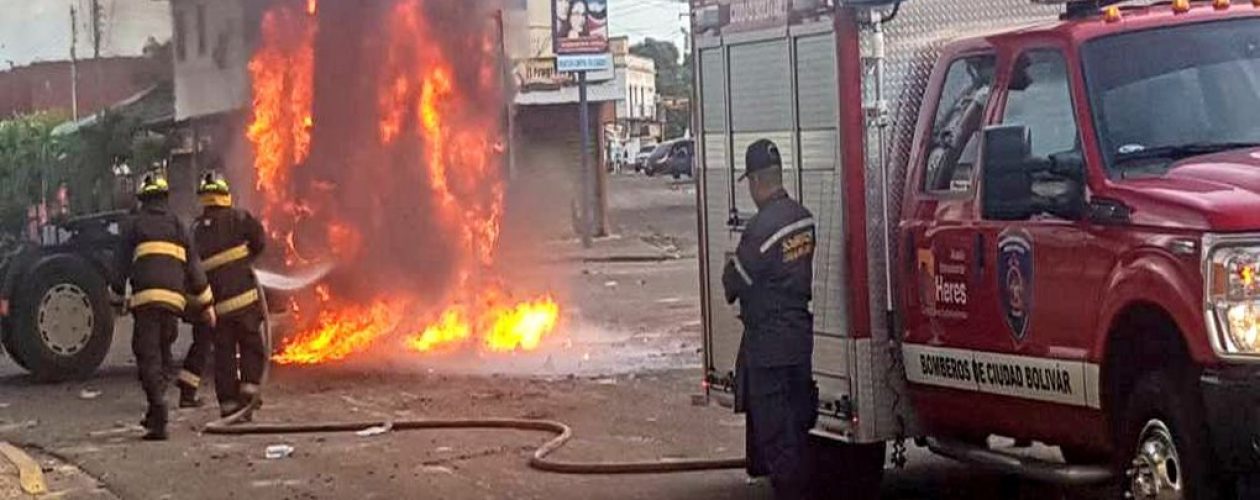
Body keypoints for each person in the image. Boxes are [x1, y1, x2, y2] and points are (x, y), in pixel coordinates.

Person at [722, 139, 817, 499]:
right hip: (798, 340)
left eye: (750, 182)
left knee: (776, 436)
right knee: (797, 427)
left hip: (769, 346)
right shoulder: (803, 218)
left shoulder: (760, 229)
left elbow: (734, 283)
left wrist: (731, 268)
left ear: (759, 181)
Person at [113, 172, 215, 441]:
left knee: (147, 355)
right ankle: (156, 406)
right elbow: (194, 268)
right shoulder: (178, 226)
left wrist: (115, 297)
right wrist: (207, 304)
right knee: (164, 351)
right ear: (165, 199)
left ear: (143, 200)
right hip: (173, 302)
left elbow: (120, 265)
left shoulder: (133, 226)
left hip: (146, 301)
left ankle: (158, 412)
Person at [191, 172, 268, 419]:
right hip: (245, 301)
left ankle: (228, 405)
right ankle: (249, 392)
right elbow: (259, 241)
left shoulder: (196, 230)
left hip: (218, 308)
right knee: (252, 345)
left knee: (224, 354)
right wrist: (247, 259)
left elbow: (192, 267)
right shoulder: (239, 217)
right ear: (225, 196)